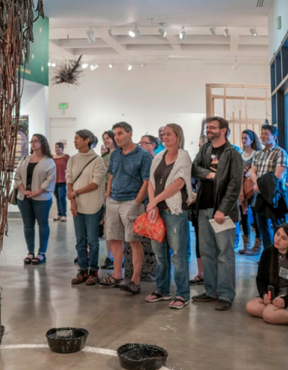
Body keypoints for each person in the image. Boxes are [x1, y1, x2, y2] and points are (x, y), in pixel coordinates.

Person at [191, 116, 243, 311]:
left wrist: (222, 209)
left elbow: (234, 185)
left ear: (224, 130)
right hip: (203, 208)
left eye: (212, 128)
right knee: (207, 252)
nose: (209, 131)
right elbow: (194, 168)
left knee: (225, 254)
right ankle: (211, 291)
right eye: (207, 128)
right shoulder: (205, 149)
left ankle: (225, 294)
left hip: (222, 211)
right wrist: (209, 174)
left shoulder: (233, 153)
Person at [98, 121, 152, 295]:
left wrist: (138, 201)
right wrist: (108, 195)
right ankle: (117, 275)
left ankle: (135, 280)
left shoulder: (143, 156)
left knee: (134, 241)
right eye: (115, 134)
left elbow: (146, 181)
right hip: (114, 200)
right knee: (114, 238)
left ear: (130, 133)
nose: (117, 137)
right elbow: (112, 175)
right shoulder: (115, 155)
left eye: (120, 133)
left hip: (132, 202)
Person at [144, 123, 193, 309]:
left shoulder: (184, 156)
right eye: (163, 134)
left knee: (178, 255)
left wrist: (154, 201)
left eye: (169, 134)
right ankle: (162, 290)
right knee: (159, 254)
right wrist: (152, 204)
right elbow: (151, 182)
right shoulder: (158, 157)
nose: (165, 137)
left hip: (174, 212)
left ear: (178, 136)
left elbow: (179, 184)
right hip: (156, 211)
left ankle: (182, 294)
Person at [245, 224, 288, 325]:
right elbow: (260, 279)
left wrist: (285, 300)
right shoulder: (268, 252)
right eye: (277, 234)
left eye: (284, 238)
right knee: (251, 306)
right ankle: (276, 313)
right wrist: (264, 294)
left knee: (269, 314)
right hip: (275, 295)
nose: (278, 239)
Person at [68, 129, 107, 285]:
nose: (74, 141)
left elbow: (95, 183)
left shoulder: (98, 160)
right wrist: (72, 200)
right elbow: (69, 178)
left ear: (86, 140)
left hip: (92, 205)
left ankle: (94, 270)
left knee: (93, 240)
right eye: (74, 138)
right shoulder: (73, 159)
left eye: (77, 138)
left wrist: (76, 192)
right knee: (80, 240)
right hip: (78, 204)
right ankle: (82, 270)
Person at [14, 133, 56, 265]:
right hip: (24, 197)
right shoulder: (25, 159)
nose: (33, 143)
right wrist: (23, 190)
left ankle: (41, 253)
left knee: (42, 224)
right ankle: (30, 252)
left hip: (41, 198)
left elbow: (50, 180)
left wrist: (37, 192)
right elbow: (17, 176)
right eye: (31, 141)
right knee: (28, 224)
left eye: (36, 141)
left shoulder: (49, 161)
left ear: (42, 143)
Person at [250, 123, 288, 253]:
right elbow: (253, 172)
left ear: (274, 137)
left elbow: (278, 176)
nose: (263, 136)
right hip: (260, 195)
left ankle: (280, 257)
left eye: (266, 134)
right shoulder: (259, 154)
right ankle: (268, 256)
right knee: (263, 227)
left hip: (275, 196)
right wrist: (258, 186)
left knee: (279, 229)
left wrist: (259, 187)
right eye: (262, 133)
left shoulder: (281, 153)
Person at [239, 129, 262, 254]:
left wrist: (247, 173)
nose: (243, 140)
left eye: (246, 138)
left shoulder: (257, 154)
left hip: (253, 189)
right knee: (244, 215)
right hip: (242, 188)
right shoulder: (241, 154)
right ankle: (246, 244)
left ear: (252, 140)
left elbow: (254, 171)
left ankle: (257, 246)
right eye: (242, 138)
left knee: (255, 215)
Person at [100, 129, 116, 270]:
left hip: (118, 193)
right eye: (104, 138)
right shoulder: (103, 157)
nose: (106, 140)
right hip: (104, 193)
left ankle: (119, 257)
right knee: (108, 227)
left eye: (108, 137)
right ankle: (108, 256)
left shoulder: (121, 154)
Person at [52, 142, 70, 222]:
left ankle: (63, 215)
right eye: (55, 147)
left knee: (62, 197)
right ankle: (59, 214)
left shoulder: (66, 157)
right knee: (57, 198)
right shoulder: (52, 157)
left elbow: (69, 168)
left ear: (62, 148)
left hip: (62, 180)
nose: (56, 149)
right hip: (54, 181)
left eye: (58, 147)